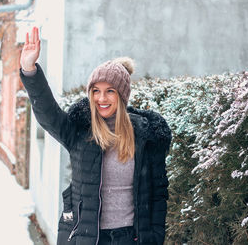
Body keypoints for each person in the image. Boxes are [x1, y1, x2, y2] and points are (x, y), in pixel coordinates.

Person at [19, 27, 171, 245]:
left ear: (122, 95)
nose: (102, 98)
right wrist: (29, 70)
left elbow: (158, 193)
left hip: (131, 238)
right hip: (88, 237)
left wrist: (154, 238)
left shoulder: (146, 135)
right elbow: (48, 114)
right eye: (96, 91)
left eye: (110, 91)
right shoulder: (80, 130)